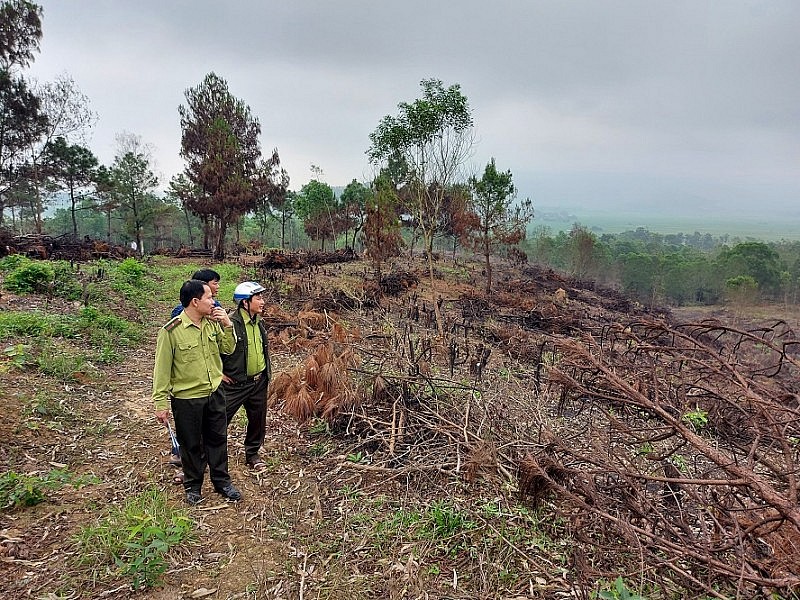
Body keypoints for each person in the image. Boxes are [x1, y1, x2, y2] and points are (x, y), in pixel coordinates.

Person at [153, 279, 243, 505]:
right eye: (209, 298)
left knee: (218, 440)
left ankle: (222, 481)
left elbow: (228, 349)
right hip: (187, 399)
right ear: (195, 302)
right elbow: (161, 371)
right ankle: (193, 485)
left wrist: (227, 325)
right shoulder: (171, 331)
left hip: (214, 393)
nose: (213, 301)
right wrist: (160, 404)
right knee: (191, 443)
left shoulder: (213, 323)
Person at [221, 282, 272, 470]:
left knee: (258, 419)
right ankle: (199, 458)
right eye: (258, 298)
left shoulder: (259, 323)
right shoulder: (230, 323)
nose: (262, 302)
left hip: (258, 382)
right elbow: (214, 350)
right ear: (245, 303)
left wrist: (265, 374)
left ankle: (252, 453)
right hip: (235, 384)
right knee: (219, 420)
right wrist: (218, 373)